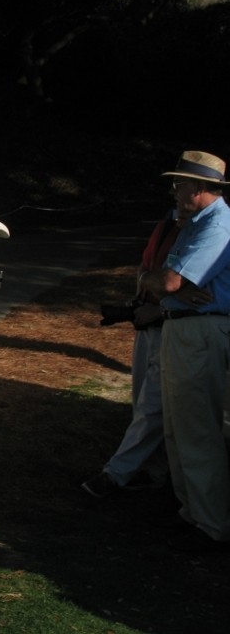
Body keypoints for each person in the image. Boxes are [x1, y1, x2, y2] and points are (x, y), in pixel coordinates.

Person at [139, 150, 230, 552]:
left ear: (199, 187)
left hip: (200, 331)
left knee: (196, 428)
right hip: (182, 327)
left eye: (180, 183)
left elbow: (171, 283)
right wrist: (154, 278)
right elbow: (158, 279)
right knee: (179, 427)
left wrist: (161, 282)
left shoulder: (217, 225)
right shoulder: (196, 224)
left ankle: (211, 523)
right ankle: (193, 512)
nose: (175, 190)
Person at [81, 208, 181, 497]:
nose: (178, 196)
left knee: (152, 405)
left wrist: (159, 298)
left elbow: (173, 284)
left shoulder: (211, 235)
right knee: (142, 402)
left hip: (172, 327)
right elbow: (147, 271)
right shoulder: (166, 227)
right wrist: (142, 298)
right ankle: (154, 471)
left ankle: (116, 474)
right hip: (148, 324)